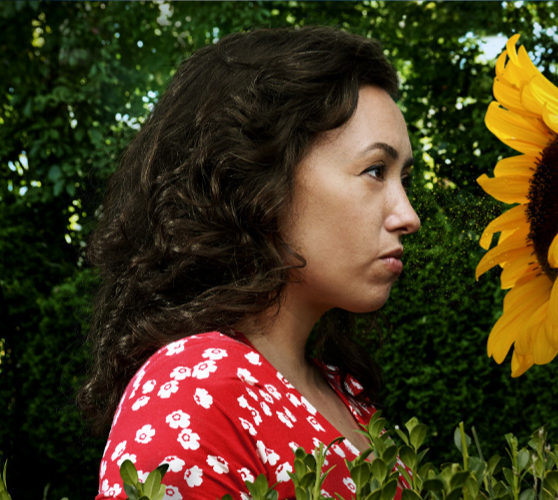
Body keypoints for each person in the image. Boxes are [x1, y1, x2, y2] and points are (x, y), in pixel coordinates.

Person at [76, 26, 420, 498]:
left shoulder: (346, 394)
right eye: (375, 171)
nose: (409, 216)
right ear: (258, 181)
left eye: (403, 177)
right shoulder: (193, 389)